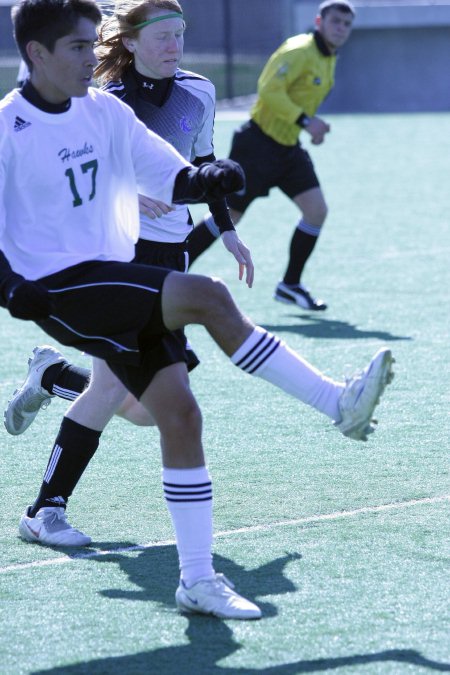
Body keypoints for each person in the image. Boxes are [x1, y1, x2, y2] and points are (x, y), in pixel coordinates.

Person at [1, 0, 393, 621]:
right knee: (208, 299)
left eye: (89, 44)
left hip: (121, 273)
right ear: (37, 54)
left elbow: (172, 172)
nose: (89, 56)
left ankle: (196, 581)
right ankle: (336, 404)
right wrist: (8, 286)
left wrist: (210, 182)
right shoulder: (8, 127)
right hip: (61, 288)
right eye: (76, 48)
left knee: (176, 415)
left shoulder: (104, 110)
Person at [4, 0, 253, 435]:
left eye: (180, 34)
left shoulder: (198, 92)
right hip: (118, 247)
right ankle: (49, 501)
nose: (174, 45)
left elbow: (197, 164)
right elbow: (66, 176)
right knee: (133, 395)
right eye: (163, 36)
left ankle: (53, 377)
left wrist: (226, 228)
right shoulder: (99, 101)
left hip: (172, 248)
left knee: (142, 409)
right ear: (133, 42)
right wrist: (125, 194)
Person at [188, 0, 355, 311]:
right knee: (228, 217)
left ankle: (289, 285)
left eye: (347, 24)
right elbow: (268, 90)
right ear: (319, 21)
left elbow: (298, 99)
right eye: (336, 21)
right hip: (257, 147)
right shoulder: (299, 50)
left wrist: (309, 128)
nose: (341, 29)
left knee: (316, 210)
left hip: (288, 150)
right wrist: (307, 121)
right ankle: (172, 270)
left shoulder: (328, 57)